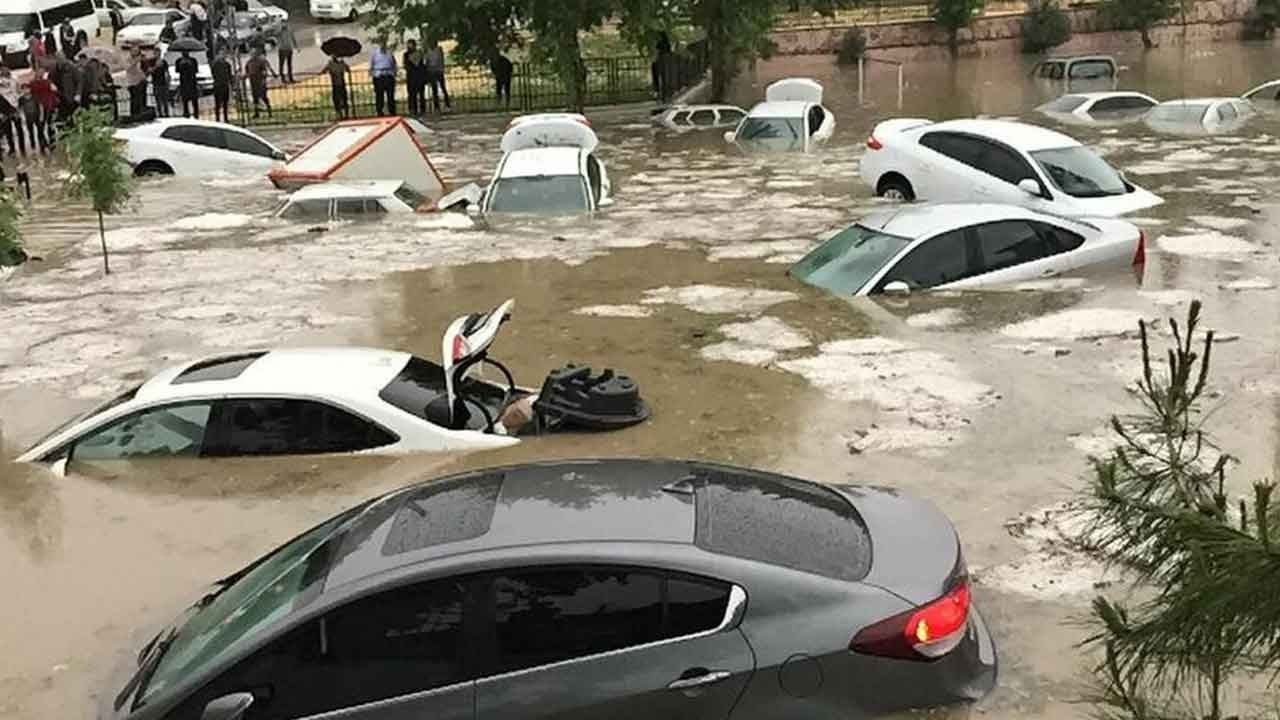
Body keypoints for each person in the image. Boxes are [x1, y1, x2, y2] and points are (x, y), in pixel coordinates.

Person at [27, 70, 58, 150]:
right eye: (39, 72)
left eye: (41, 72)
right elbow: (55, 90)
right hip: (42, 107)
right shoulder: (35, 83)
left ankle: (48, 144)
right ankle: (46, 144)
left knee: (46, 126)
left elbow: (54, 91)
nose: (40, 74)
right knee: (43, 127)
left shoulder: (44, 82)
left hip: (45, 107)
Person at [0, 67, 25, 158]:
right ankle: (12, 149)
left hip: (15, 107)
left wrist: (19, 107)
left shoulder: (15, 79)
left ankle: (22, 148)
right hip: (4, 110)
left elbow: (20, 92)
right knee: (8, 131)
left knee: (19, 130)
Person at [244, 48, 275, 118]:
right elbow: (247, 71)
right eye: (251, 54)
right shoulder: (249, 62)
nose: (252, 55)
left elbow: (264, 71)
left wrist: (264, 79)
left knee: (264, 97)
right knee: (255, 99)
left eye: (253, 53)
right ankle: (256, 113)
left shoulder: (260, 61)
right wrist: (245, 76)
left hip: (260, 82)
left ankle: (269, 112)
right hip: (253, 82)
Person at [369, 39, 396, 116]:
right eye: (381, 43)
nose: (383, 45)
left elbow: (393, 63)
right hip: (379, 76)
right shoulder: (375, 53)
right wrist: (373, 74)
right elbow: (372, 64)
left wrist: (393, 73)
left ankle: (392, 112)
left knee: (390, 95)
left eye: (384, 43)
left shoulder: (389, 53)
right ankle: (379, 112)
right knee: (379, 96)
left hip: (388, 75)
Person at [423, 39, 450, 113]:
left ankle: (447, 105)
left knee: (443, 88)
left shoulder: (439, 49)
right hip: (431, 72)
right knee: (434, 90)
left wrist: (440, 68)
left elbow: (441, 60)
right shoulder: (427, 51)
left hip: (439, 71)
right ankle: (436, 107)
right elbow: (426, 61)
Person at [324, 54, 351, 119]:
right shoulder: (337, 64)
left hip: (337, 85)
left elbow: (323, 71)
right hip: (339, 84)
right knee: (341, 100)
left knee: (340, 100)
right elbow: (348, 70)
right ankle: (343, 115)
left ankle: (343, 115)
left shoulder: (332, 64)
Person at [175, 48, 200, 118]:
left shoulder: (193, 60)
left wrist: (190, 64)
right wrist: (182, 65)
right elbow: (177, 70)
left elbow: (196, 70)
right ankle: (186, 115)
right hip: (183, 83)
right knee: (185, 101)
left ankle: (196, 115)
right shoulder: (179, 61)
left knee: (194, 101)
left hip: (192, 83)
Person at [403, 39, 425, 115]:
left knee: (421, 94)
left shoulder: (419, 53)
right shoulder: (406, 54)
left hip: (419, 76)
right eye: (408, 44)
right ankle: (413, 109)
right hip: (411, 77)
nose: (410, 46)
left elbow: (422, 64)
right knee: (412, 94)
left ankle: (422, 109)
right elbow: (406, 65)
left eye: (411, 44)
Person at [210, 48, 232, 122]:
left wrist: (230, 82)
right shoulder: (215, 64)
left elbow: (229, 75)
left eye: (224, 54)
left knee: (225, 102)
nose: (223, 55)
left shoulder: (227, 64)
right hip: (218, 85)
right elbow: (213, 73)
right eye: (222, 54)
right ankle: (217, 118)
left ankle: (226, 118)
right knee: (218, 103)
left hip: (225, 85)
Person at [125, 45, 147, 118]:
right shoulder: (128, 59)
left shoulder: (139, 60)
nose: (136, 53)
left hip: (140, 81)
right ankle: (133, 115)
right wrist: (136, 61)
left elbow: (139, 70)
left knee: (140, 100)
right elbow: (128, 68)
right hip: (132, 83)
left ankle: (140, 114)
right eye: (134, 51)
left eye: (137, 51)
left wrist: (143, 77)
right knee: (134, 100)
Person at [150, 49, 172, 117]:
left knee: (165, 99)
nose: (157, 54)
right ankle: (160, 113)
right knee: (158, 99)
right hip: (156, 83)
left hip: (163, 83)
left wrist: (168, 80)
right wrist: (156, 66)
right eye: (156, 53)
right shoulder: (152, 62)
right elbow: (150, 71)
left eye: (159, 53)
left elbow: (167, 72)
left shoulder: (164, 62)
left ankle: (166, 113)